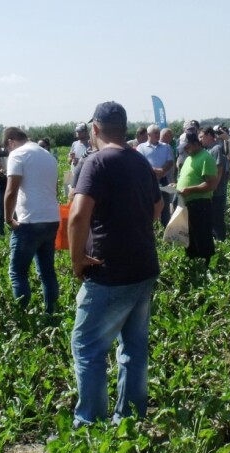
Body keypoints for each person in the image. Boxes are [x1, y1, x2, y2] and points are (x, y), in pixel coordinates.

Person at [68, 101, 162, 426]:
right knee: (134, 348)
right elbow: (157, 207)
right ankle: (130, 422)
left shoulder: (96, 162)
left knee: (87, 347)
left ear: (95, 129)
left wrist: (77, 259)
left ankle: (89, 424)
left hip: (109, 271)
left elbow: (77, 215)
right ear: (124, 129)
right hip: (143, 267)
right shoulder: (140, 161)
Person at [2, 126, 60, 315]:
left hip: (29, 221)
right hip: (51, 219)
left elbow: (11, 191)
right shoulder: (47, 156)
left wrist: (8, 219)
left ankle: (22, 317)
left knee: (18, 273)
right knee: (47, 271)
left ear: (10, 142)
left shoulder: (18, 155)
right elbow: (54, 190)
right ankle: (51, 313)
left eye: (7, 148)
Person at [177, 132, 218, 266]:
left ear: (195, 143)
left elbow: (211, 184)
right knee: (190, 236)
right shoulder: (189, 158)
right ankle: (193, 264)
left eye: (187, 147)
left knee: (202, 236)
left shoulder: (206, 158)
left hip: (200, 204)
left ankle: (206, 265)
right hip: (187, 204)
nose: (185, 150)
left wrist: (189, 190)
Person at [137, 124, 175, 227]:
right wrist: (154, 170)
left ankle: (165, 230)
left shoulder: (166, 146)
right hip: (148, 181)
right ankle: (151, 228)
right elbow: (140, 164)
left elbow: (170, 161)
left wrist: (163, 170)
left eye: (158, 133)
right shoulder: (141, 147)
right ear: (149, 135)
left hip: (163, 180)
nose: (158, 135)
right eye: (155, 133)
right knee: (150, 206)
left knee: (165, 207)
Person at [200, 127, 229, 241]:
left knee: (217, 219)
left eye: (202, 136)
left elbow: (219, 170)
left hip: (217, 191)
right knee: (212, 219)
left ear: (209, 135)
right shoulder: (208, 149)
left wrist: (213, 187)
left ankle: (221, 241)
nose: (200, 139)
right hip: (212, 191)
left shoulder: (216, 149)